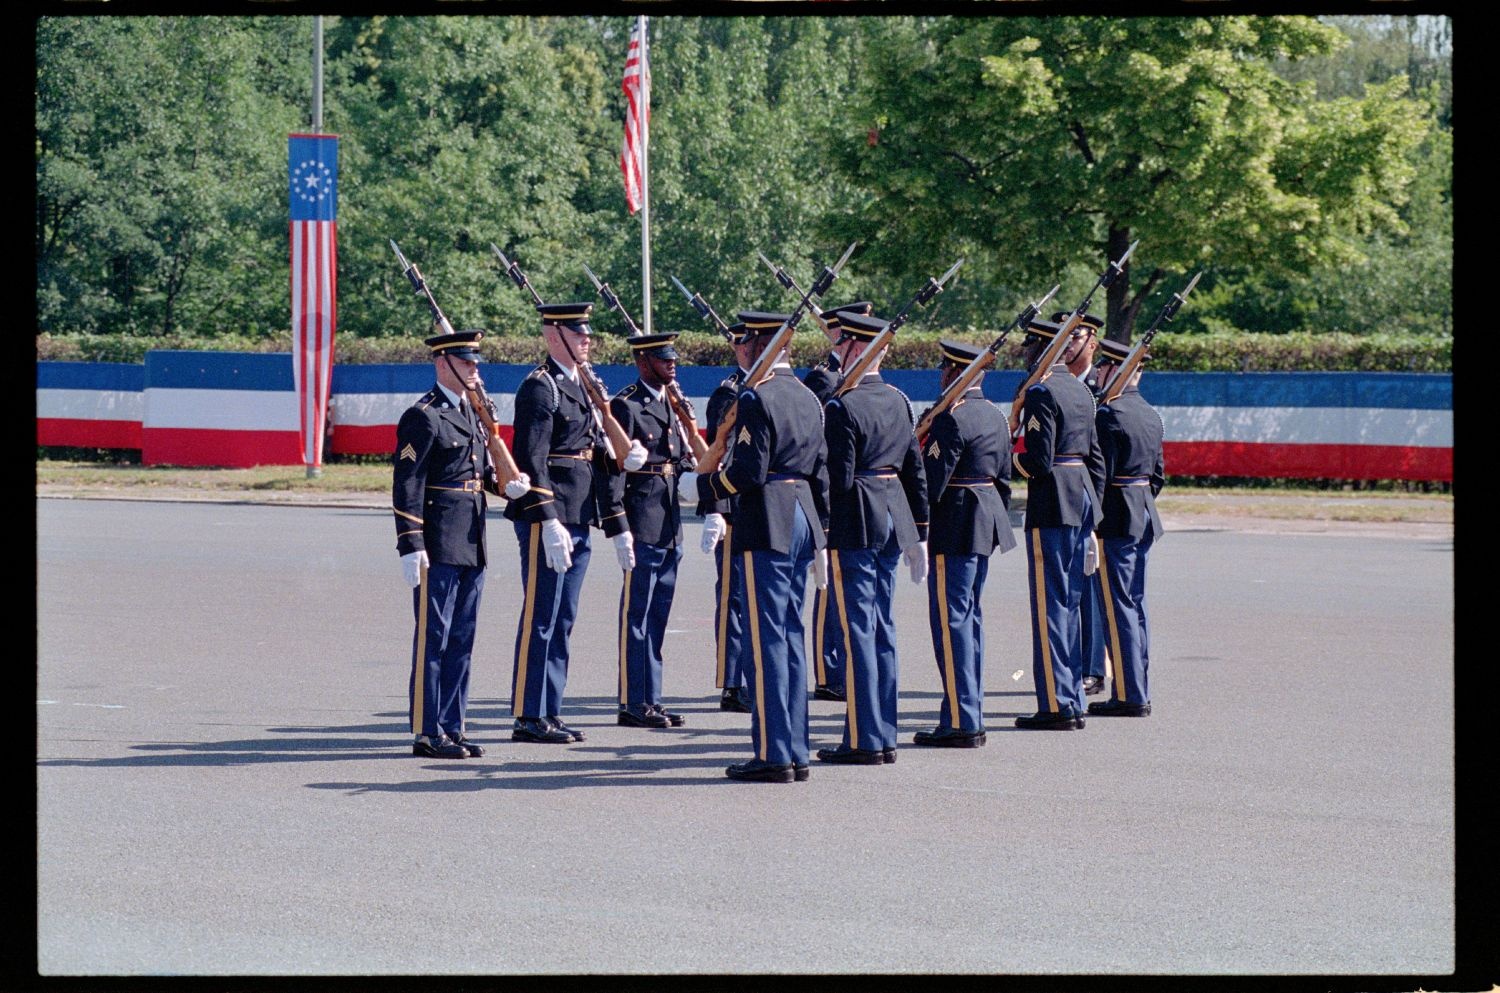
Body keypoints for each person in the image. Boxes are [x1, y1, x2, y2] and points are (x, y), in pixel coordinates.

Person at [696, 311, 830, 783]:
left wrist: (708, 485)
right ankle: (795, 748)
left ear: (762, 347)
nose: (745, 350)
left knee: (768, 637)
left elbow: (749, 470)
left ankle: (774, 752)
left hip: (768, 517)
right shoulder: (810, 397)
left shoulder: (757, 397)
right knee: (791, 635)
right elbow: (822, 471)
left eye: (749, 343)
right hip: (802, 515)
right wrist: (823, 533)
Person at [504, 302, 647, 745]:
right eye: (578, 333)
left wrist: (621, 478)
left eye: (587, 333)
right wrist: (547, 519)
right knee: (541, 616)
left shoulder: (583, 385)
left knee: (563, 617)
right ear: (553, 336)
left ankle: (551, 709)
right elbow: (532, 459)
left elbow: (592, 454)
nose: (588, 339)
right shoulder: (540, 388)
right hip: (550, 516)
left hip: (580, 513)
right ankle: (529, 715)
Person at [392, 329, 530, 759]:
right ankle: (427, 730)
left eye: (476, 362)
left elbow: (475, 472)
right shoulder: (424, 415)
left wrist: (507, 485)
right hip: (437, 541)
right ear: (443, 363)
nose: (476, 369)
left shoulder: (471, 412)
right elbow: (407, 482)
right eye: (467, 362)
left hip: (471, 539)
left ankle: (453, 725)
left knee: (463, 638)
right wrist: (410, 542)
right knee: (434, 636)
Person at [816, 311, 929, 766]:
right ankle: (884, 732)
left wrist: (821, 531)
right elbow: (914, 468)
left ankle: (864, 738)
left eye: (843, 345)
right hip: (891, 513)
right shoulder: (898, 400)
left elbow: (836, 479)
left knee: (859, 630)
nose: (838, 351)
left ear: (858, 349)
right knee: (882, 627)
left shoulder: (843, 405)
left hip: (857, 518)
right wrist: (918, 529)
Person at [911, 339, 1017, 749]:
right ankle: (967, 709)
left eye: (944, 369)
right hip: (984, 522)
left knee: (952, 621)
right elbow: (1005, 480)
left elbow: (931, 484)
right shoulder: (994, 415)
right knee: (969, 619)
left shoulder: (950, 419)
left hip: (954, 524)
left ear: (952, 373)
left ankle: (960, 719)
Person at [1011, 316, 1106, 730]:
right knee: (1069, 601)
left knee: (1051, 605)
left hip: (1053, 501)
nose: (1028, 355)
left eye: (1033, 348)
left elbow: (1038, 460)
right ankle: (1072, 698)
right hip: (1081, 495)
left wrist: (1009, 458)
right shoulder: (1082, 392)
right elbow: (1096, 459)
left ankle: (1056, 704)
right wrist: (1094, 510)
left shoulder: (1041, 392)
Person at [609, 332, 698, 729]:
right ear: (643, 362)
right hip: (642, 520)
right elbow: (614, 472)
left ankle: (652, 697)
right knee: (638, 613)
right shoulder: (626, 405)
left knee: (658, 614)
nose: (672, 365)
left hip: (669, 522)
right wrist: (619, 526)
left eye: (673, 359)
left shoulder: (672, 405)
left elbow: (678, 462)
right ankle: (633, 700)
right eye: (664, 360)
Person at [1088, 337, 1165, 718]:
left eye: (1103, 368)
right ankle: (1139, 686)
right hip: (1143, 513)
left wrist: (1092, 522)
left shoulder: (1108, 414)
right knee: (1136, 603)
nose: (1098, 374)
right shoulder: (1150, 412)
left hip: (1116, 517)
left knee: (1117, 606)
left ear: (1113, 371)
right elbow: (1158, 476)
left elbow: (1100, 475)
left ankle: (1129, 695)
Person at [802, 301, 872, 704]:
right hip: (830, 490)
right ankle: (829, 671)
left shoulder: (860, 377)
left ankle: (847, 665)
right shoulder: (822, 378)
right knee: (829, 589)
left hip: (861, 494)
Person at [699, 324, 754, 714]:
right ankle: (732, 682)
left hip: (764, 507)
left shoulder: (769, 387)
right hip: (734, 507)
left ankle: (755, 674)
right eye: (747, 344)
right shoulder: (728, 392)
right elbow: (716, 451)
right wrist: (716, 508)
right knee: (733, 597)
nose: (751, 351)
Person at [1056, 310, 1110, 698]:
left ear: (1092, 343)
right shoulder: (1054, 385)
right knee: (1068, 589)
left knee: (1089, 589)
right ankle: (1071, 663)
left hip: (1090, 499)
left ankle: (1093, 667)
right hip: (1063, 498)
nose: (1068, 343)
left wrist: (1097, 509)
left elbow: (1100, 455)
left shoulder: (1100, 388)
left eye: (1075, 337)